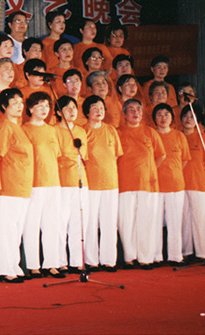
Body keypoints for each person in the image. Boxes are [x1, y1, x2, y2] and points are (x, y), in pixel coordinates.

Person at [117, 99, 166, 269]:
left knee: (146, 221)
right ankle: (130, 257)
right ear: (124, 114)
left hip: (148, 184)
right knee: (126, 222)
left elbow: (161, 156)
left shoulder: (150, 132)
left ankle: (145, 258)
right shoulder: (118, 132)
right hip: (125, 183)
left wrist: (148, 170)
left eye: (138, 109)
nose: (135, 112)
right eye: (131, 109)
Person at [22, 91, 64, 278]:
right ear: (31, 108)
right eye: (39, 106)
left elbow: (56, 156)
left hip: (53, 182)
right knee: (32, 225)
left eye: (47, 106)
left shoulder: (53, 130)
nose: (44, 109)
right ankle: (33, 265)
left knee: (52, 224)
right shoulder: (25, 129)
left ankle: (52, 264)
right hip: (34, 183)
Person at [0, 89, 33, 283]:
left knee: (16, 230)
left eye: (20, 102)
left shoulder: (19, 127)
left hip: (23, 185)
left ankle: (14, 266)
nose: (19, 106)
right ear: (4, 106)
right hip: (9, 185)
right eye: (14, 103)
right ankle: (6, 268)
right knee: (8, 229)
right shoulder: (4, 127)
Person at [81, 95, 123, 271]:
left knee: (109, 223)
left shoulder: (111, 130)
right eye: (94, 108)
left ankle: (109, 260)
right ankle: (92, 260)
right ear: (87, 112)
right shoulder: (83, 131)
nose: (99, 111)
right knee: (90, 223)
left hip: (111, 183)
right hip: (91, 184)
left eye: (101, 107)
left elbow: (116, 155)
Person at [53, 96, 89, 273]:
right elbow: (57, 155)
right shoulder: (54, 131)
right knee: (61, 222)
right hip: (62, 181)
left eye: (74, 107)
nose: (72, 111)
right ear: (59, 112)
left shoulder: (81, 131)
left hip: (80, 181)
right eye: (67, 108)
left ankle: (77, 261)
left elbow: (84, 156)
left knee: (78, 222)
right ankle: (60, 261)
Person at [153, 103, 190, 265]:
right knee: (155, 223)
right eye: (159, 115)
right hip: (155, 186)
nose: (163, 118)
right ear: (154, 118)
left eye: (166, 114)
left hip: (175, 185)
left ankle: (175, 256)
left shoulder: (179, 136)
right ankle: (156, 256)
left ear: (172, 118)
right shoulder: (152, 134)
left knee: (175, 222)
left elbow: (184, 161)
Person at [180, 105, 205, 260]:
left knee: (200, 219)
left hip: (198, 184)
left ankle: (202, 253)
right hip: (180, 185)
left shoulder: (202, 137)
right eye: (185, 116)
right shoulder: (178, 136)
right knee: (184, 220)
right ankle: (186, 252)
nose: (188, 120)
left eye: (192, 117)